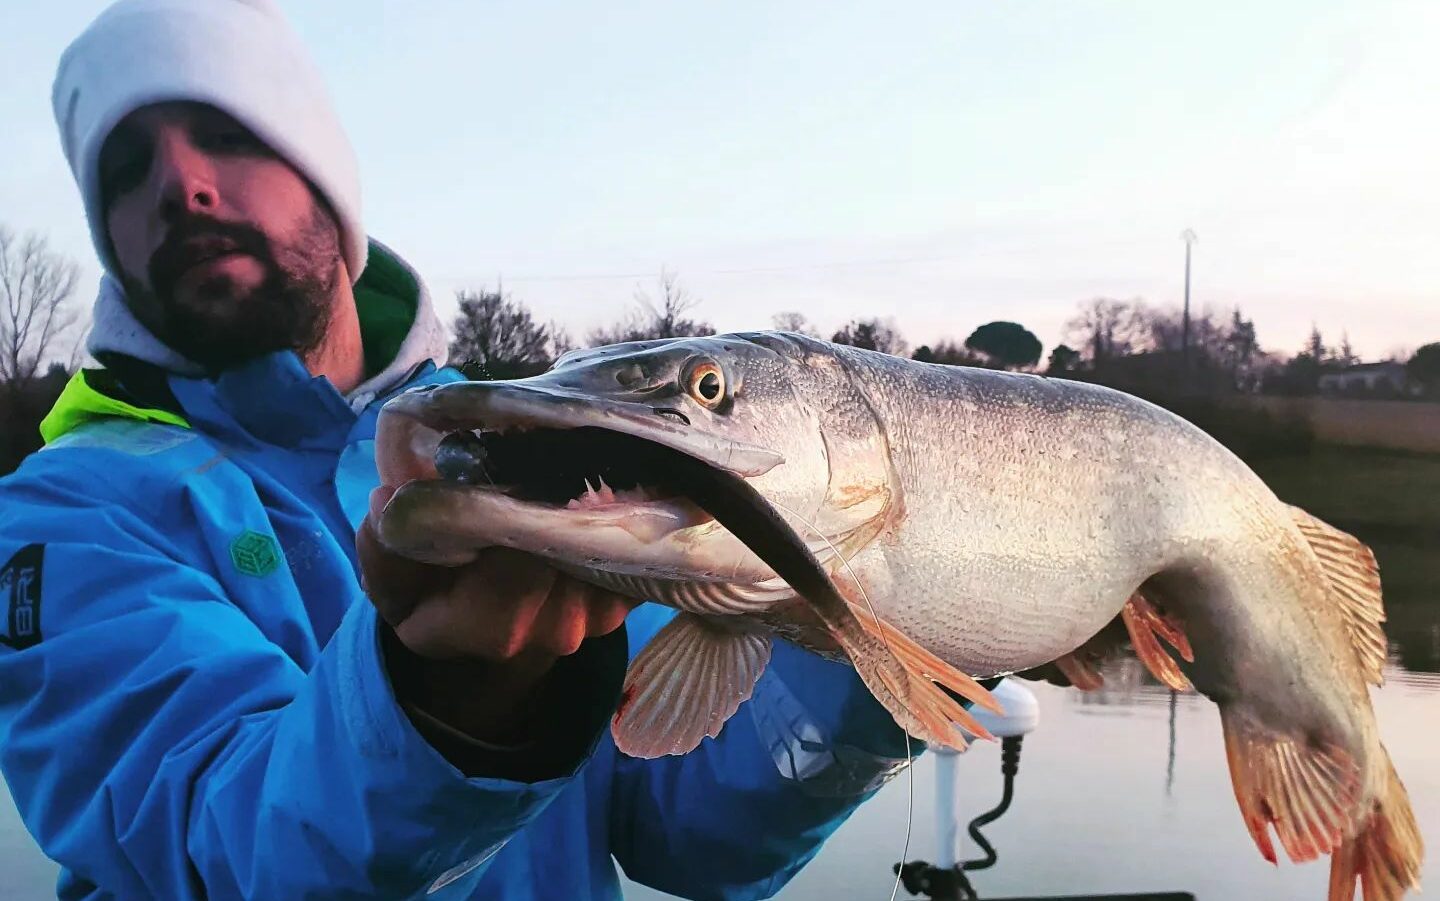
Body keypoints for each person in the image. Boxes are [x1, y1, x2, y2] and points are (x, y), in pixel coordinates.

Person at [0, 1, 918, 898]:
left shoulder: (534, 444)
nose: (179, 185)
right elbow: (216, 849)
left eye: (226, 133)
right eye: (125, 170)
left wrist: (914, 645)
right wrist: (443, 704)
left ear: (322, 168)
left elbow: (689, 829)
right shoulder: (59, 517)